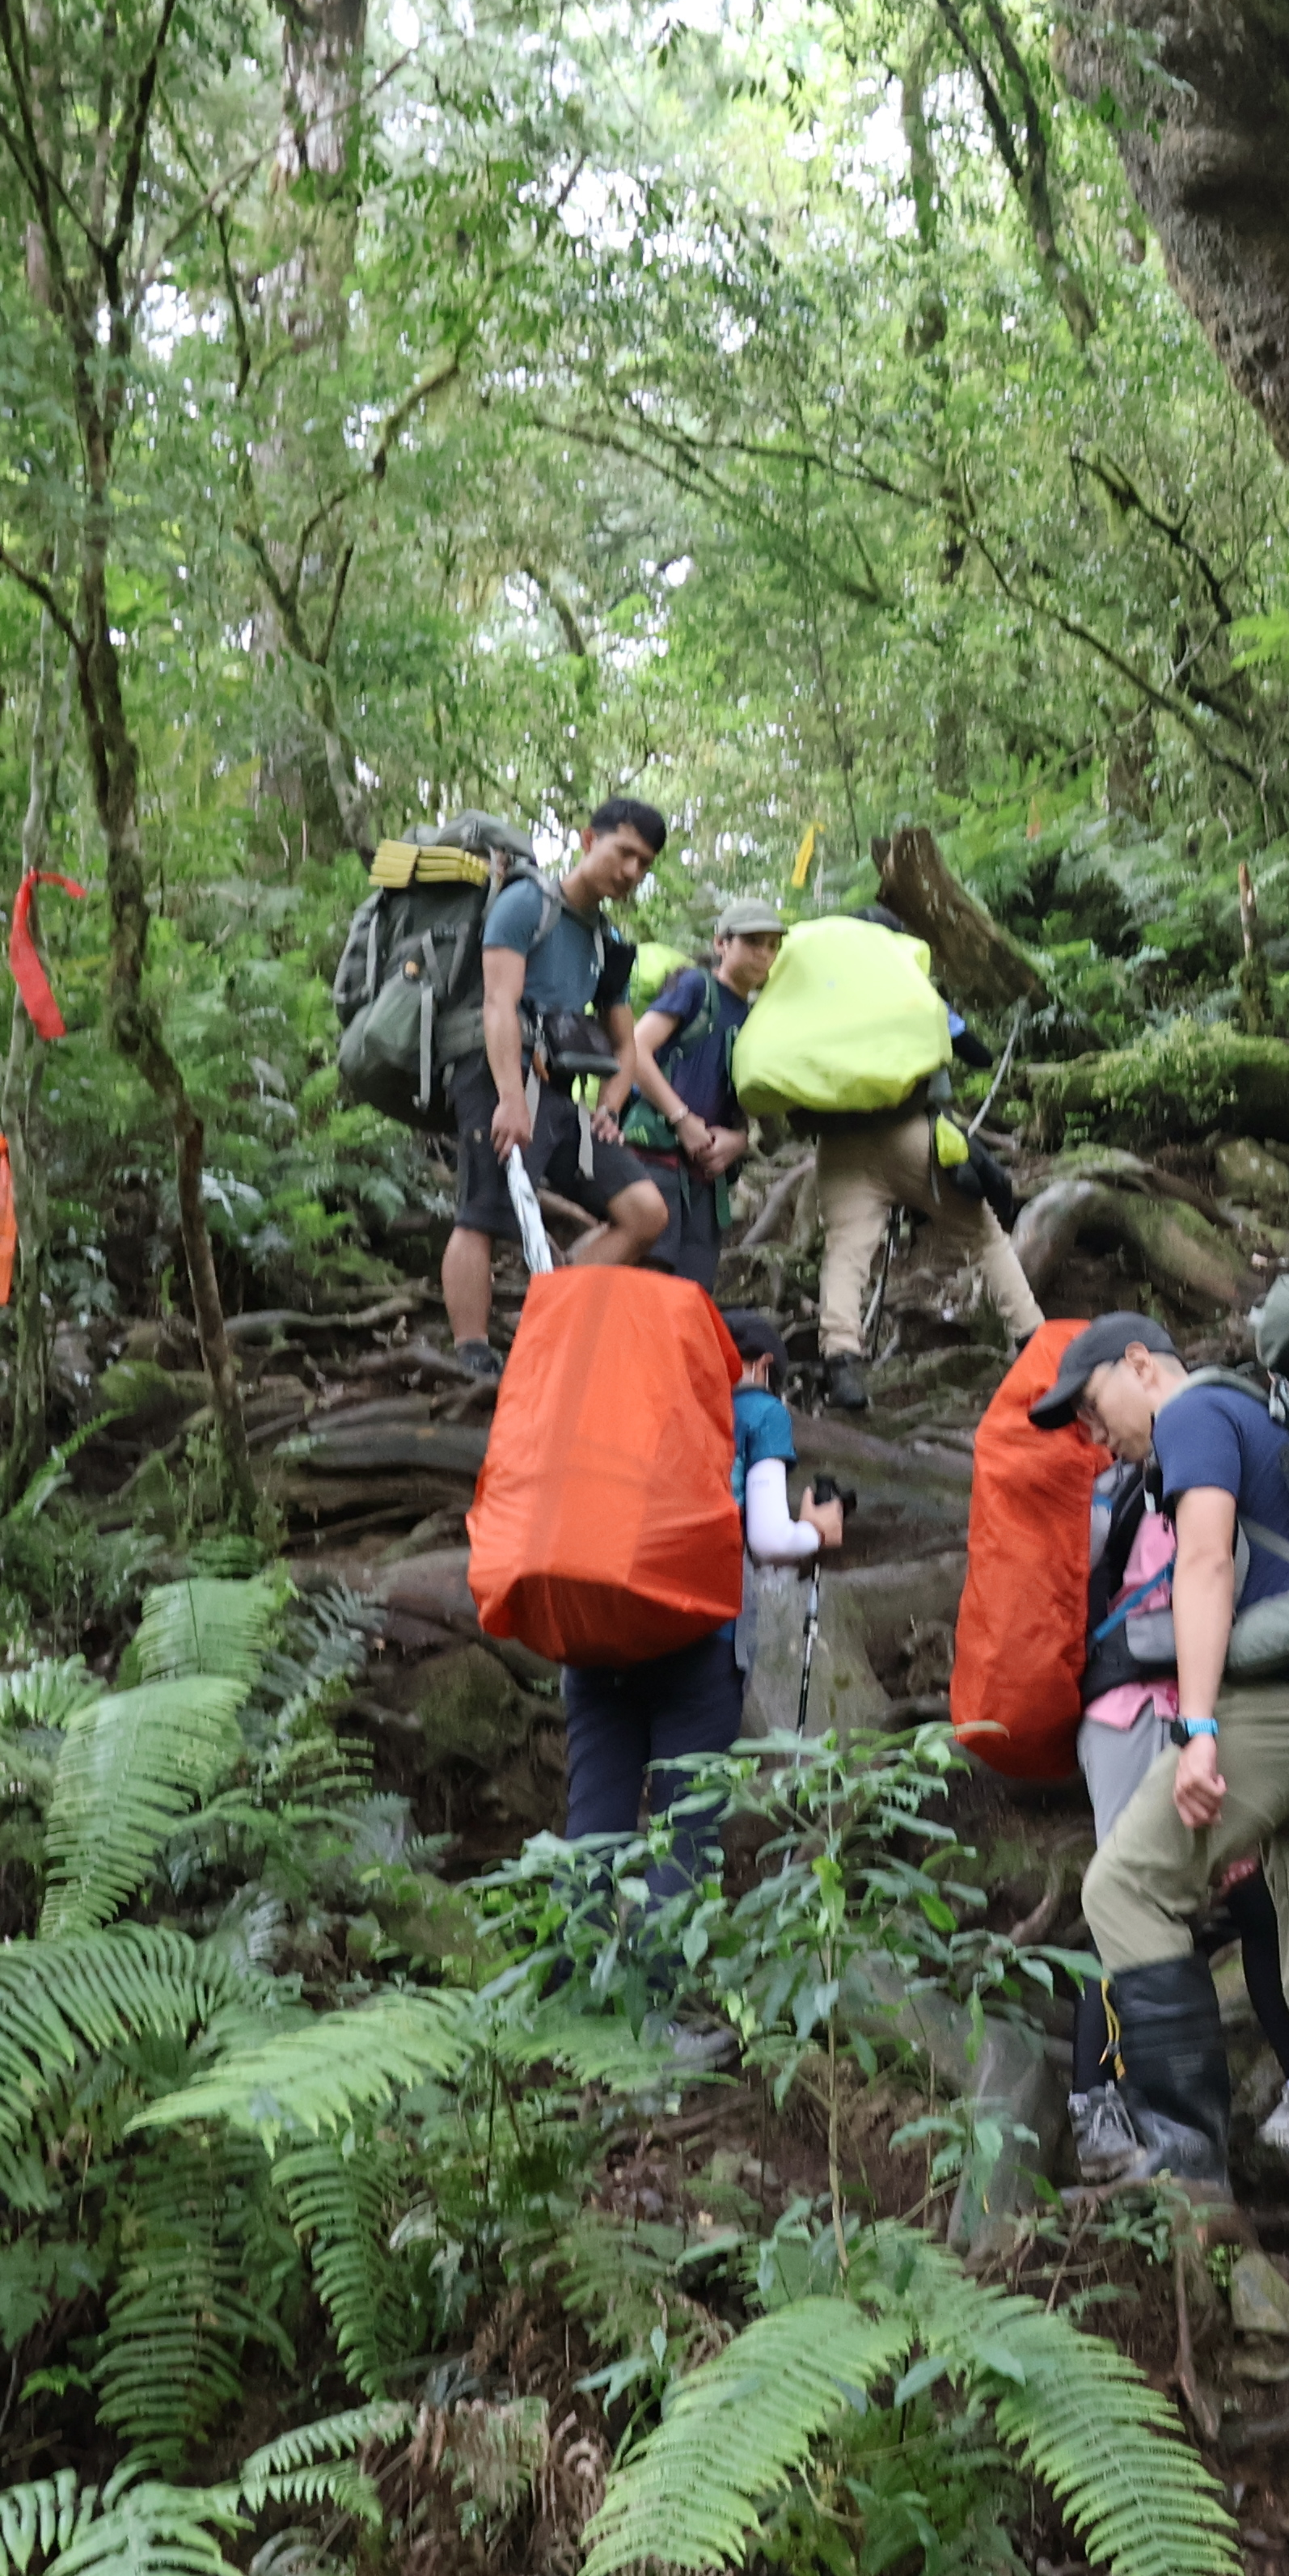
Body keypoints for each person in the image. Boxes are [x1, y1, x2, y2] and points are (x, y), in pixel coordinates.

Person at [1042, 1311, 1289, 2292]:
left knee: (1124, 1888)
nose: (1097, 1436)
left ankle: (1191, 2174)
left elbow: (1205, 1560)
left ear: (1140, 1365)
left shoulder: (1196, 1412)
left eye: (1093, 1408)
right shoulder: (1278, 1421)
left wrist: (1198, 1727)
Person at [1055, 1447, 1289, 2185]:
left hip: (1187, 1719)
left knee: (1250, 1900)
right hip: (1135, 1713)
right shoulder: (1172, 1496)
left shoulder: (1184, 1488)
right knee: (1121, 1901)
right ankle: (1099, 2106)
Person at [560, 1307, 841, 1898]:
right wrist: (817, 1530)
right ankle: (658, 1989)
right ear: (763, 1367)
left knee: (590, 1838)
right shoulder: (758, 1410)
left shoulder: (630, 1400)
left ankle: (567, 1980)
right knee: (684, 1836)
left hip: (597, 1633)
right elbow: (767, 1538)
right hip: (700, 1644)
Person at [442, 798, 692, 1382]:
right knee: (482, 1211)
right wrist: (508, 1096)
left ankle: (548, 1318)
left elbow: (626, 1047)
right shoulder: (527, 903)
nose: (631, 871)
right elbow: (498, 1003)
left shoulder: (608, 942)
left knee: (644, 1211)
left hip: (558, 1091)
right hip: (495, 1074)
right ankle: (471, 1352)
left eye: (644, 864)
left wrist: (610, 1107)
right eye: (623, 852)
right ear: (588, 840)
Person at [806, 910, 1041, 1413]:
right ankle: (1031, 1339)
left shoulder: (814, 998)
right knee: (983, 1236)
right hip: (912, 1134)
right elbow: (976, 1052)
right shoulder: (908, 986)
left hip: (838, 1146)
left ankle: (841, 1360)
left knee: (846, 1252)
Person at [622, 901, 782, 1293]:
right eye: (753, 942)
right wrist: (682, 1119)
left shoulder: (759, 1015)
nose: (764, 953)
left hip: (707, 1174)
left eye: (773, 945)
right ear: (721, 944)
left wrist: (739, 1141)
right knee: (650, 1269)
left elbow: (756, 1101)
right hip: (654, 1152)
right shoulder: (696, 987)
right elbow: (636, 1049)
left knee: (693, 1287)